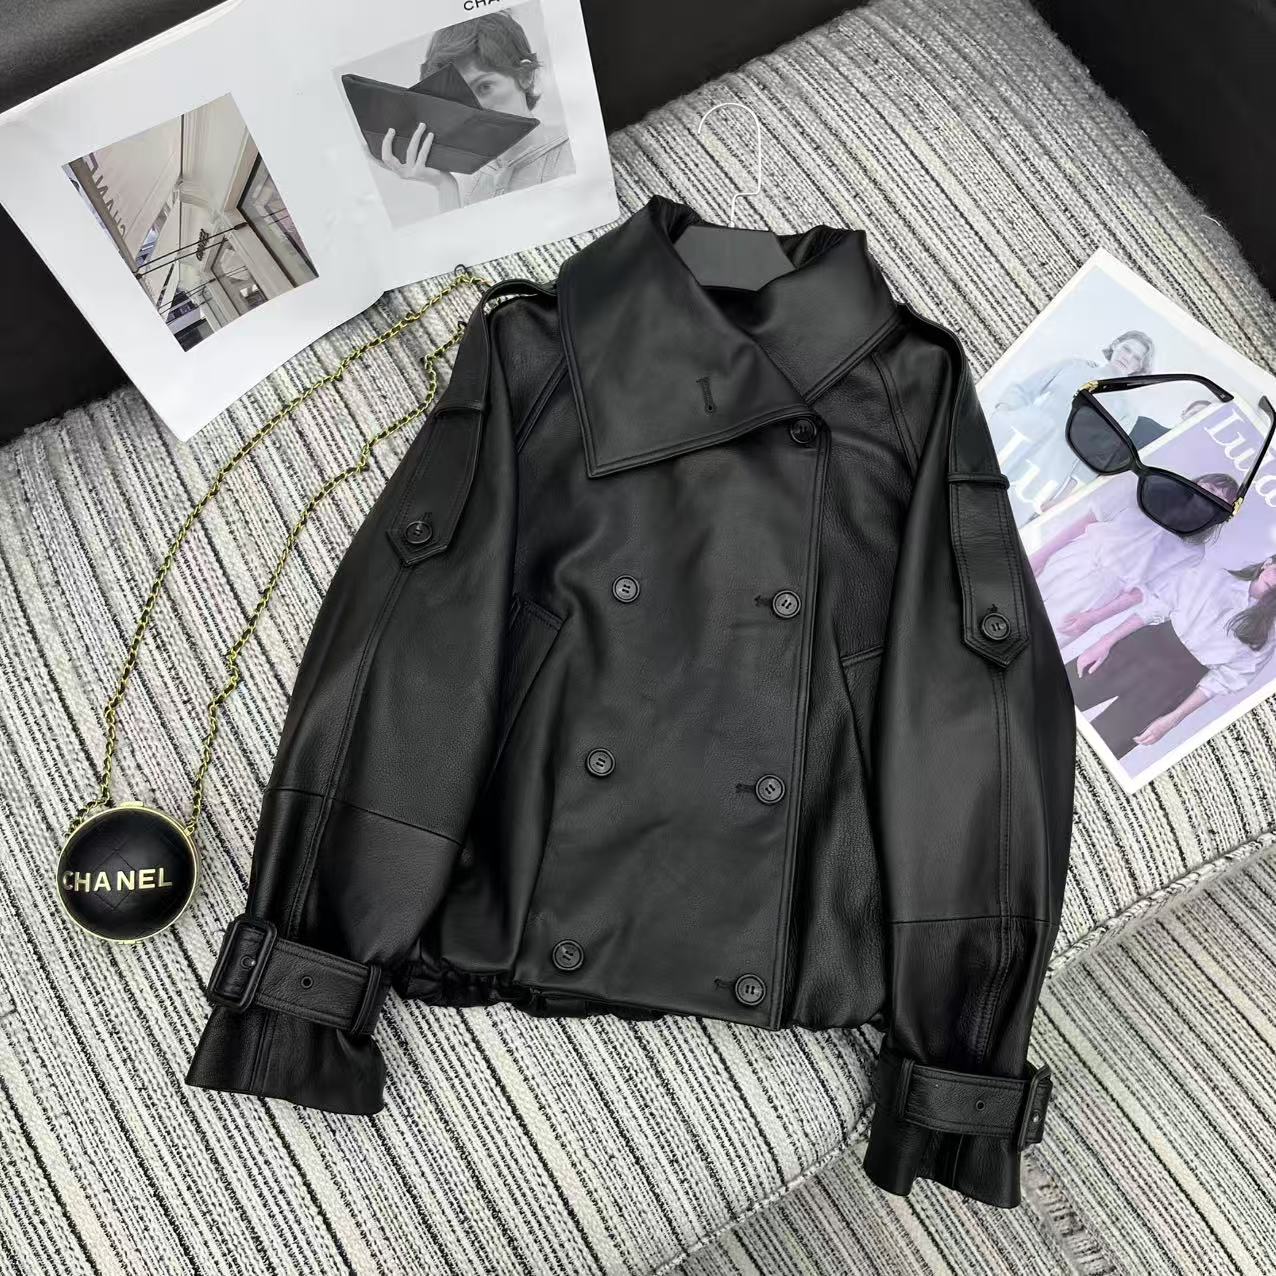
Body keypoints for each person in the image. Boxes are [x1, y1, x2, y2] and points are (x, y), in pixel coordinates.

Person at [1069, 554, 1276, 758]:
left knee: (1101, 749)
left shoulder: (1270, 633)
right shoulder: (1212, 576)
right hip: (1136, 650)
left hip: (1169, 687)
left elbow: (1224, 680)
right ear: (1268, 563)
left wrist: (1173, 719)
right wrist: (1105, 641)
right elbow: (1157, 606)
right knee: (1059, 694)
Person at [378, 12, 574, 210]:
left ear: (525, 75)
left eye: (484, 87)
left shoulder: (575, 152)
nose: (472, 110)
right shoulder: (466, 181)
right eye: (458, 98)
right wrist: (443, 185)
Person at [1028, 471, 1239, 641]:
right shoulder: (1146, 493)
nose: (1210, 498)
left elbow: (1143, 591)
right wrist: (1041, 555)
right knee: (1019, 596)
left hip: (1100, 591)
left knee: (1043, 636)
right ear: (1198, 482)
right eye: (1211, 489)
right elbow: (1086, 521)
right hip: (1077, 556)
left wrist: (1093, 618)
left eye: (1221, 500)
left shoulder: (1193, 551)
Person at [989, 329, 1155, 526]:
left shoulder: (1127, 411)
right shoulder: (1073, 365)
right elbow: (1023, 390)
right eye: (1127, 349)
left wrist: (1061, 499)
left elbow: (1094, 461)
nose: (1128, 358)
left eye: (1137, 358)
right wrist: (1003, 415)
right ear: (1115, 345)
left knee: (1001, 521)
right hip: (1014, 445)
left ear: (1139, 367)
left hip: (1046, 473)